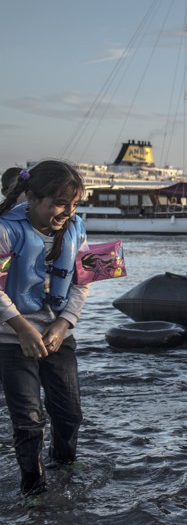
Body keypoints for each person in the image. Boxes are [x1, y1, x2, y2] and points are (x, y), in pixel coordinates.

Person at [0, 161, 88, 496]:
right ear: (33, 197)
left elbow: (82, 284)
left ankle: (64, 463)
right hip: (11, 339)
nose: (68, 211)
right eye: (60, 203)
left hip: (57, 336)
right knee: (28, 419)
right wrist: (21, 328)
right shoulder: (6, 229)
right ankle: (32, 488)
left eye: (74, 204)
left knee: (69, 412)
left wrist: (64, 324)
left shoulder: (77, 228)